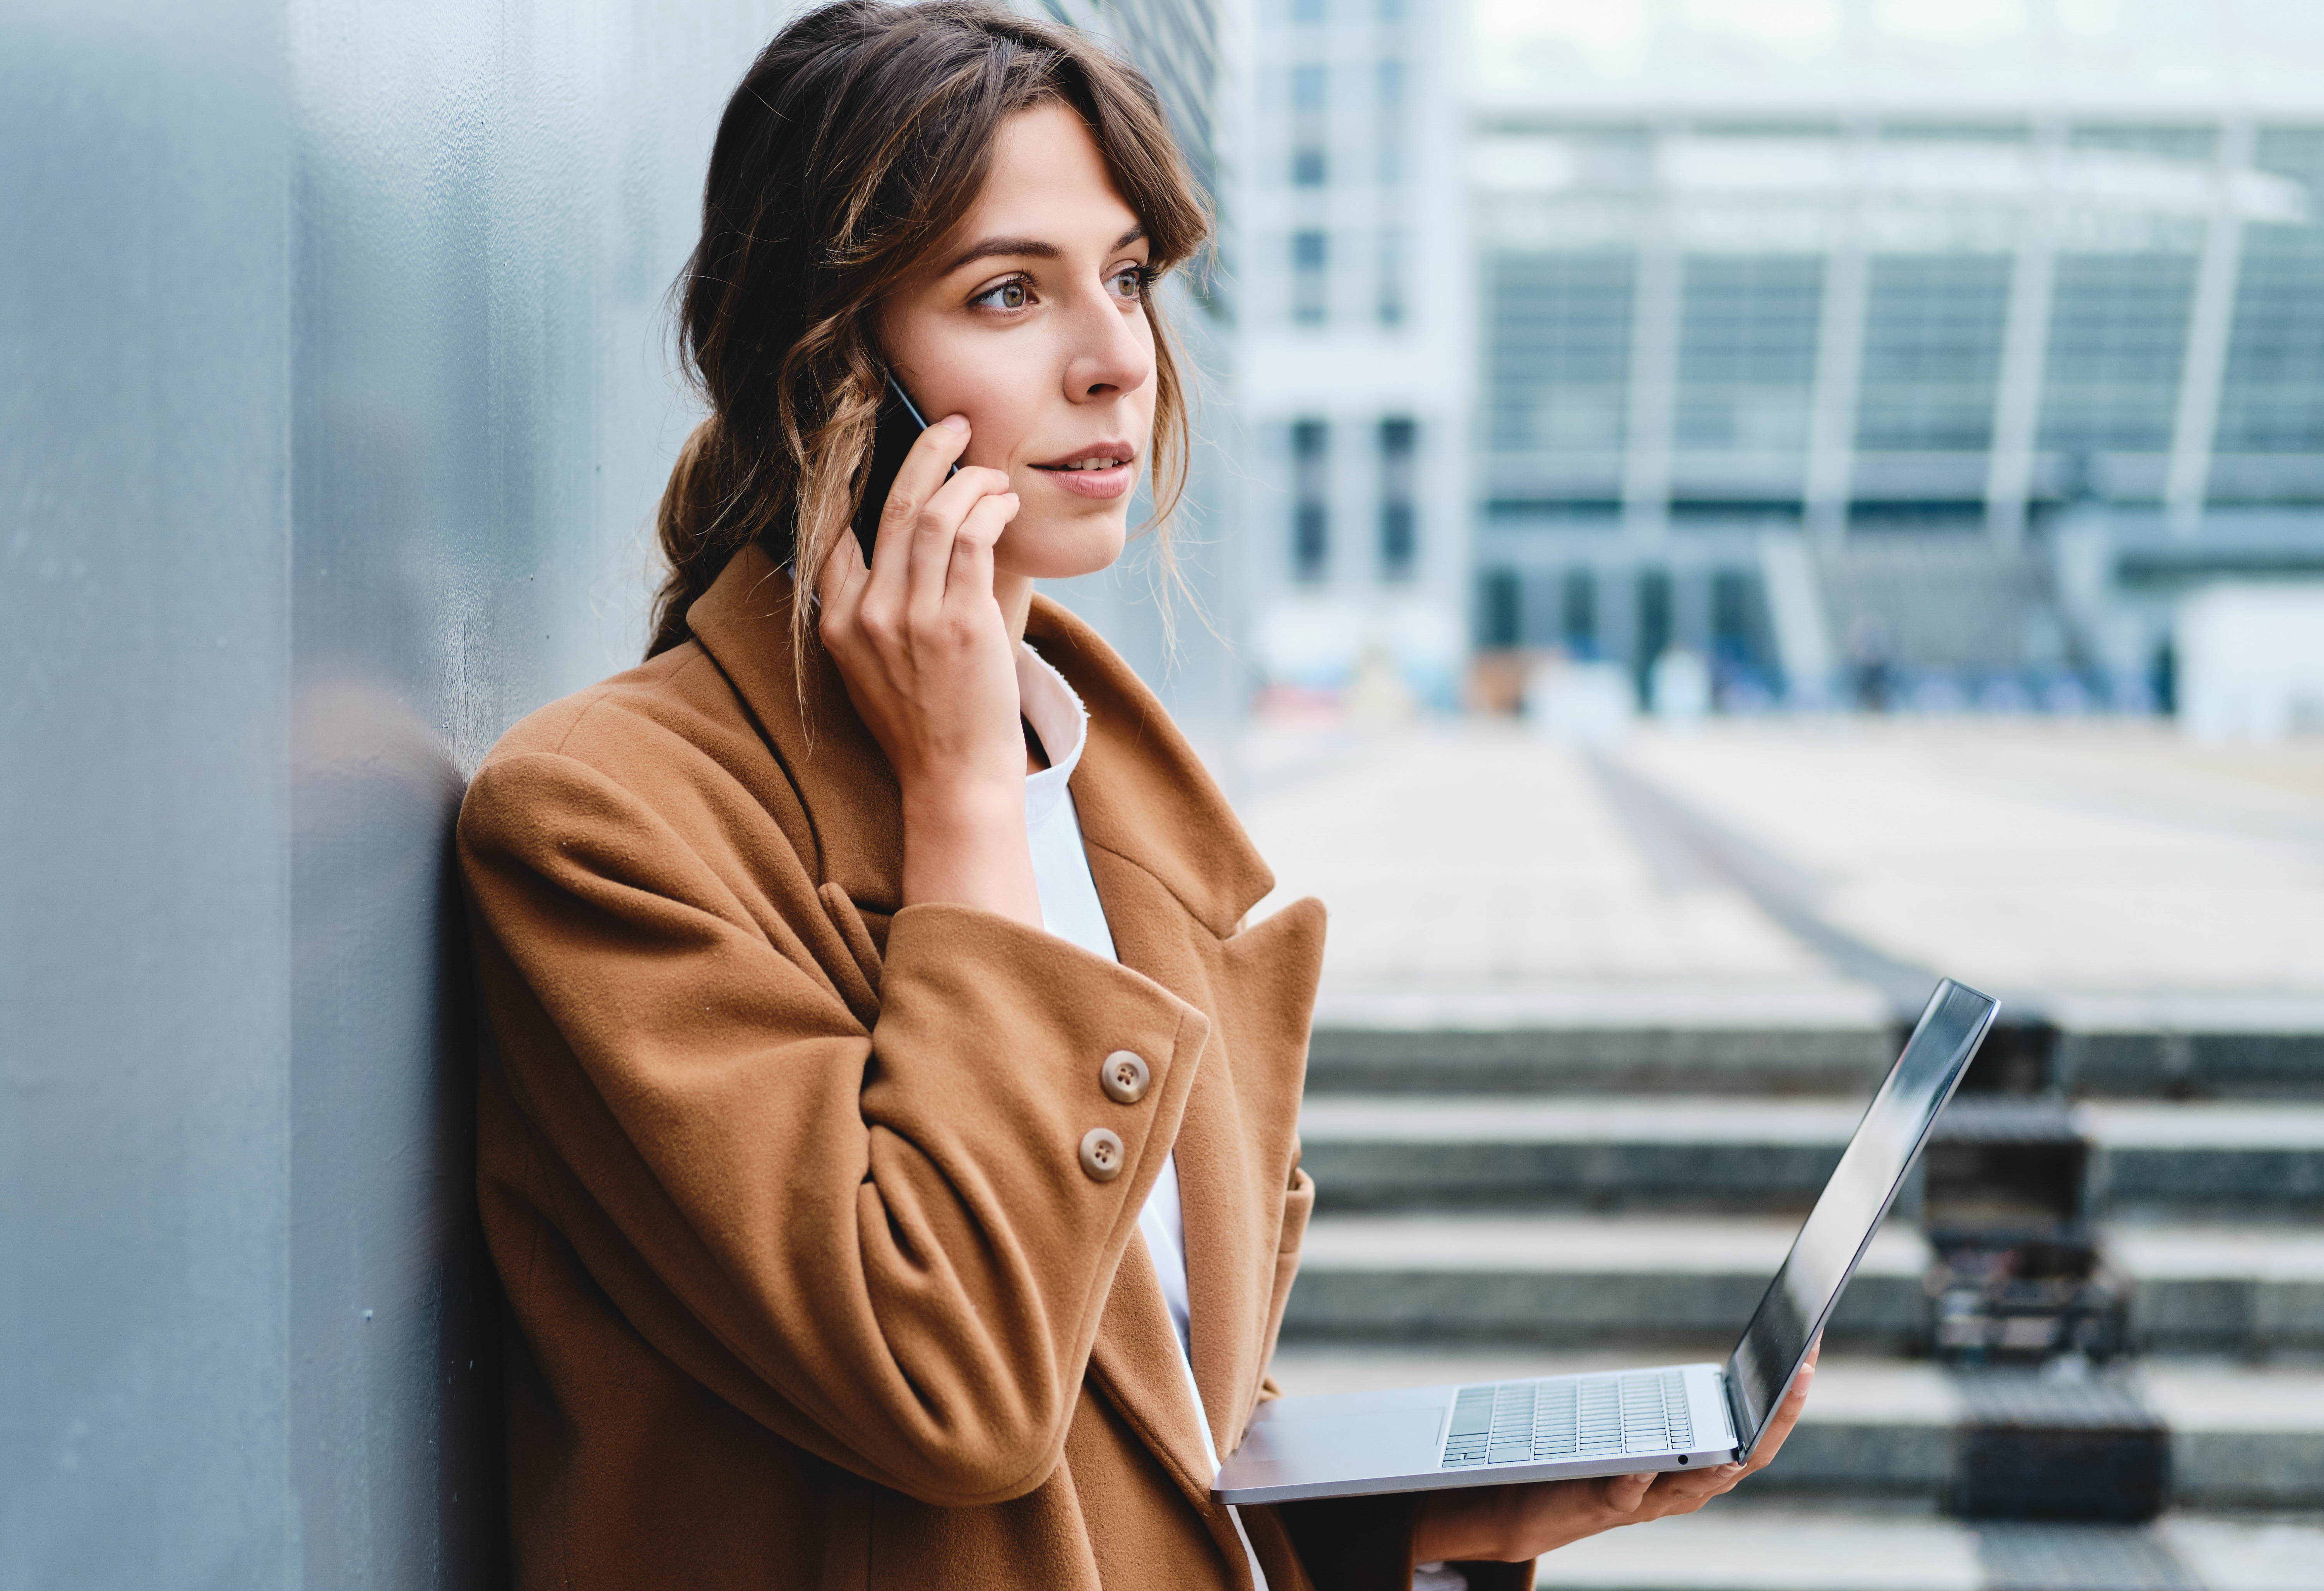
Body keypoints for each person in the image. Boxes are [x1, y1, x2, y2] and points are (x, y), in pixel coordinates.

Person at [455, 5, 1813, 1588]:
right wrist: (959, 790)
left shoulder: (1119, 809)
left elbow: (1141, 1416)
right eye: (1009, 291)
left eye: (1128, 277)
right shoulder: (602, 826)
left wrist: (1443, 1515)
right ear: (832, 361)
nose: (1115, 360)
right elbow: (948, 1376)